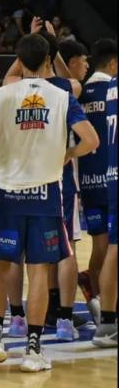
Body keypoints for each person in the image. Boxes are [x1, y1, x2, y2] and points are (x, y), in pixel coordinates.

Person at [0, 33, 98, 373]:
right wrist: (65, 155)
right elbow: (91, 140)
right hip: (45, 196)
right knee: (39, 272)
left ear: (18, 59)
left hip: (9, 194)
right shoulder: (61, 96)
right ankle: (33, 348)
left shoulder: (1, 95)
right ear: (47, 61)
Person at [78, 39, 118, 323]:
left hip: (87, 181)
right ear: (113, 63)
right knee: (111, 248)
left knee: (99, 247)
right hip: (111, 177)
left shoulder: (80, 92)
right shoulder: (112, 90)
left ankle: (97, 300)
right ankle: (107, 308)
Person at [94, 75, 117, 347]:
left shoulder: (112, 84)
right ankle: (109, 325)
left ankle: (109, 322)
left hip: (112, 173)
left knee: (114, 245)